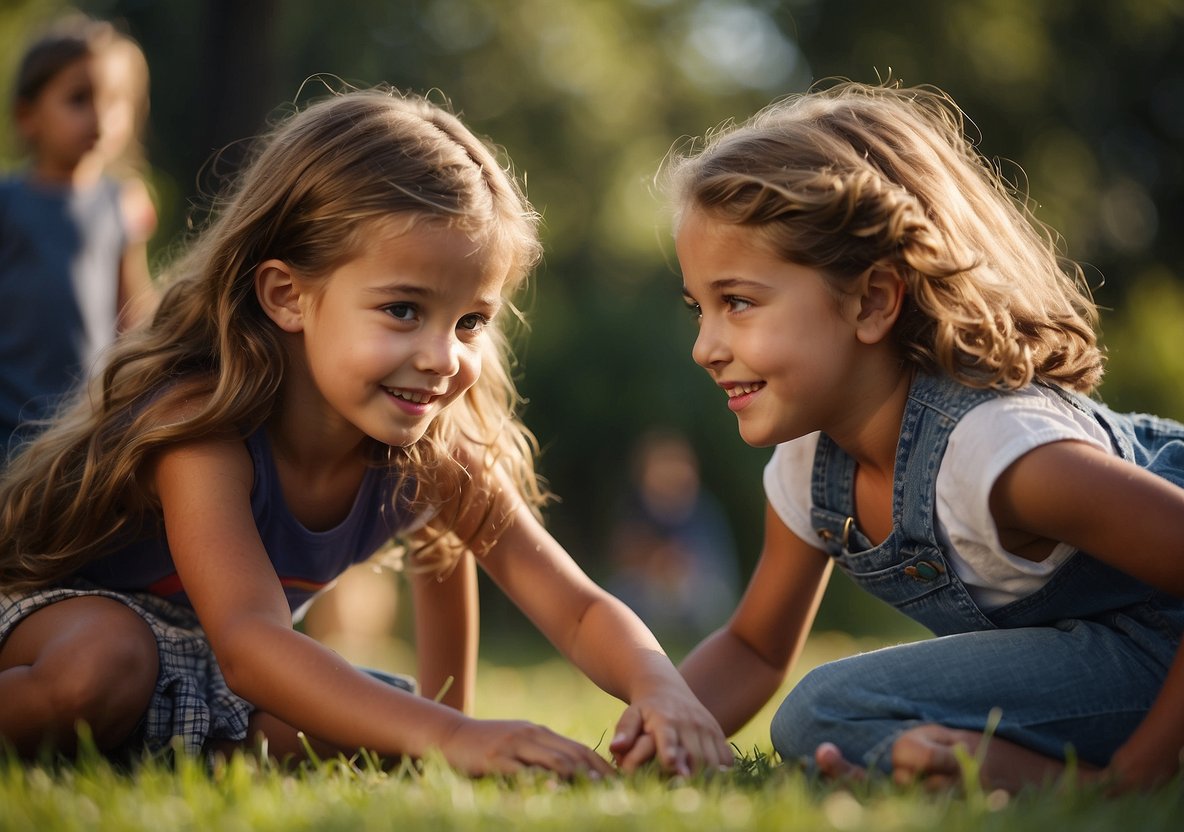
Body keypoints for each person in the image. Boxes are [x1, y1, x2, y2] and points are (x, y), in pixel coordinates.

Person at [0, 86, 732, 778]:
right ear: (289, 296)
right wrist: (451, 735)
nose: (443, 357)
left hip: (223, 677)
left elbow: (572, 607)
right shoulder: (201, 423)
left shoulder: (432, 450)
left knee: (382, 728)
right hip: (75, 628)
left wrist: (654, 685)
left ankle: (167, 745)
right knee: (105, 665)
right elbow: (253, 644)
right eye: (403, 311)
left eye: (470, 321)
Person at [611, 80, 1184, 792]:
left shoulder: (995, 449)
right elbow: (753, 645)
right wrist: (660, 721)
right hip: (1091, 664)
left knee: (827, 712)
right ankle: (1004, 772)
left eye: (737, 302)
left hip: (1176, 660)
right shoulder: (810, 461)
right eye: (699, 309)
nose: (704, 346)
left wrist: (1142, 779)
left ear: (870, 301)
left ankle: (1105, 781)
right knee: (839, 726)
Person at [1, 15, 156, 459]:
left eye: (114, 101)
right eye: (79, 99)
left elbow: (132, 312)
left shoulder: (124, 202)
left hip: (82, 427)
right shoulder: (8, 203)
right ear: (27, 116)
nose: (101, 118)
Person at [605, 430, 738, 643]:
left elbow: (716, 566)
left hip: (694, 591)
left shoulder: (703, 510)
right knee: (619, 596)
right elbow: (622, 557)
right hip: (648, 591)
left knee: (710, 600)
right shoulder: (634, 508)